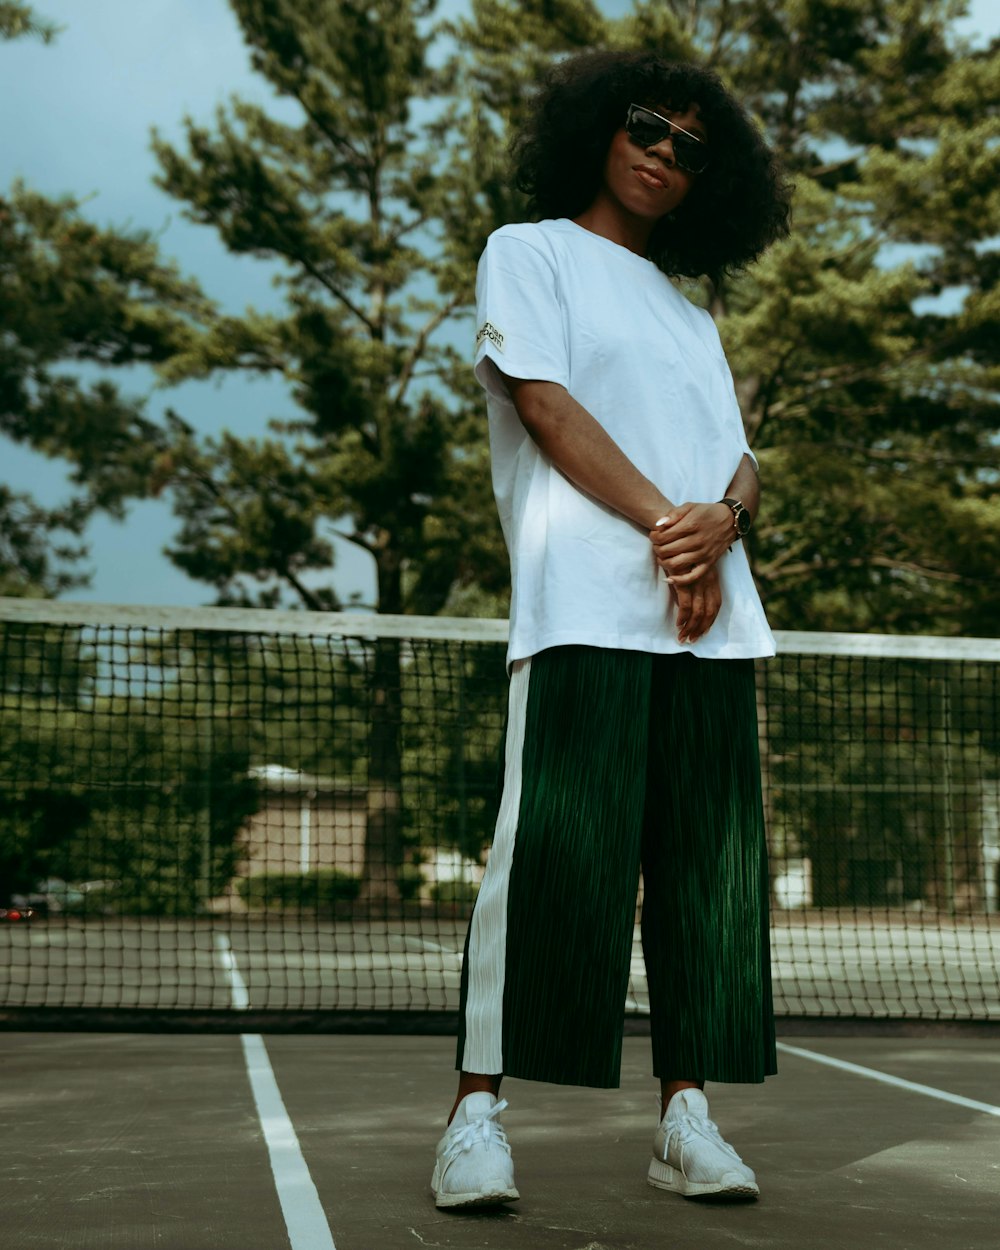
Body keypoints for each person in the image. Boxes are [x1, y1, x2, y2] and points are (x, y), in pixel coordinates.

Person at [431, 49, 791, 1210]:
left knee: (706, 878)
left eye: (692, 147)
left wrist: (719, 528)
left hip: (711, 630)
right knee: (547, 868)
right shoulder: (528, 251)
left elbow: (739, 458)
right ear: (598, 126)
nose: (663, 153)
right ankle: (475, 1118)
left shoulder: (693, 315)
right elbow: (543, 402)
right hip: (585, 611)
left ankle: (684, 1116)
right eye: (647, 126)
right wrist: (667, 532)